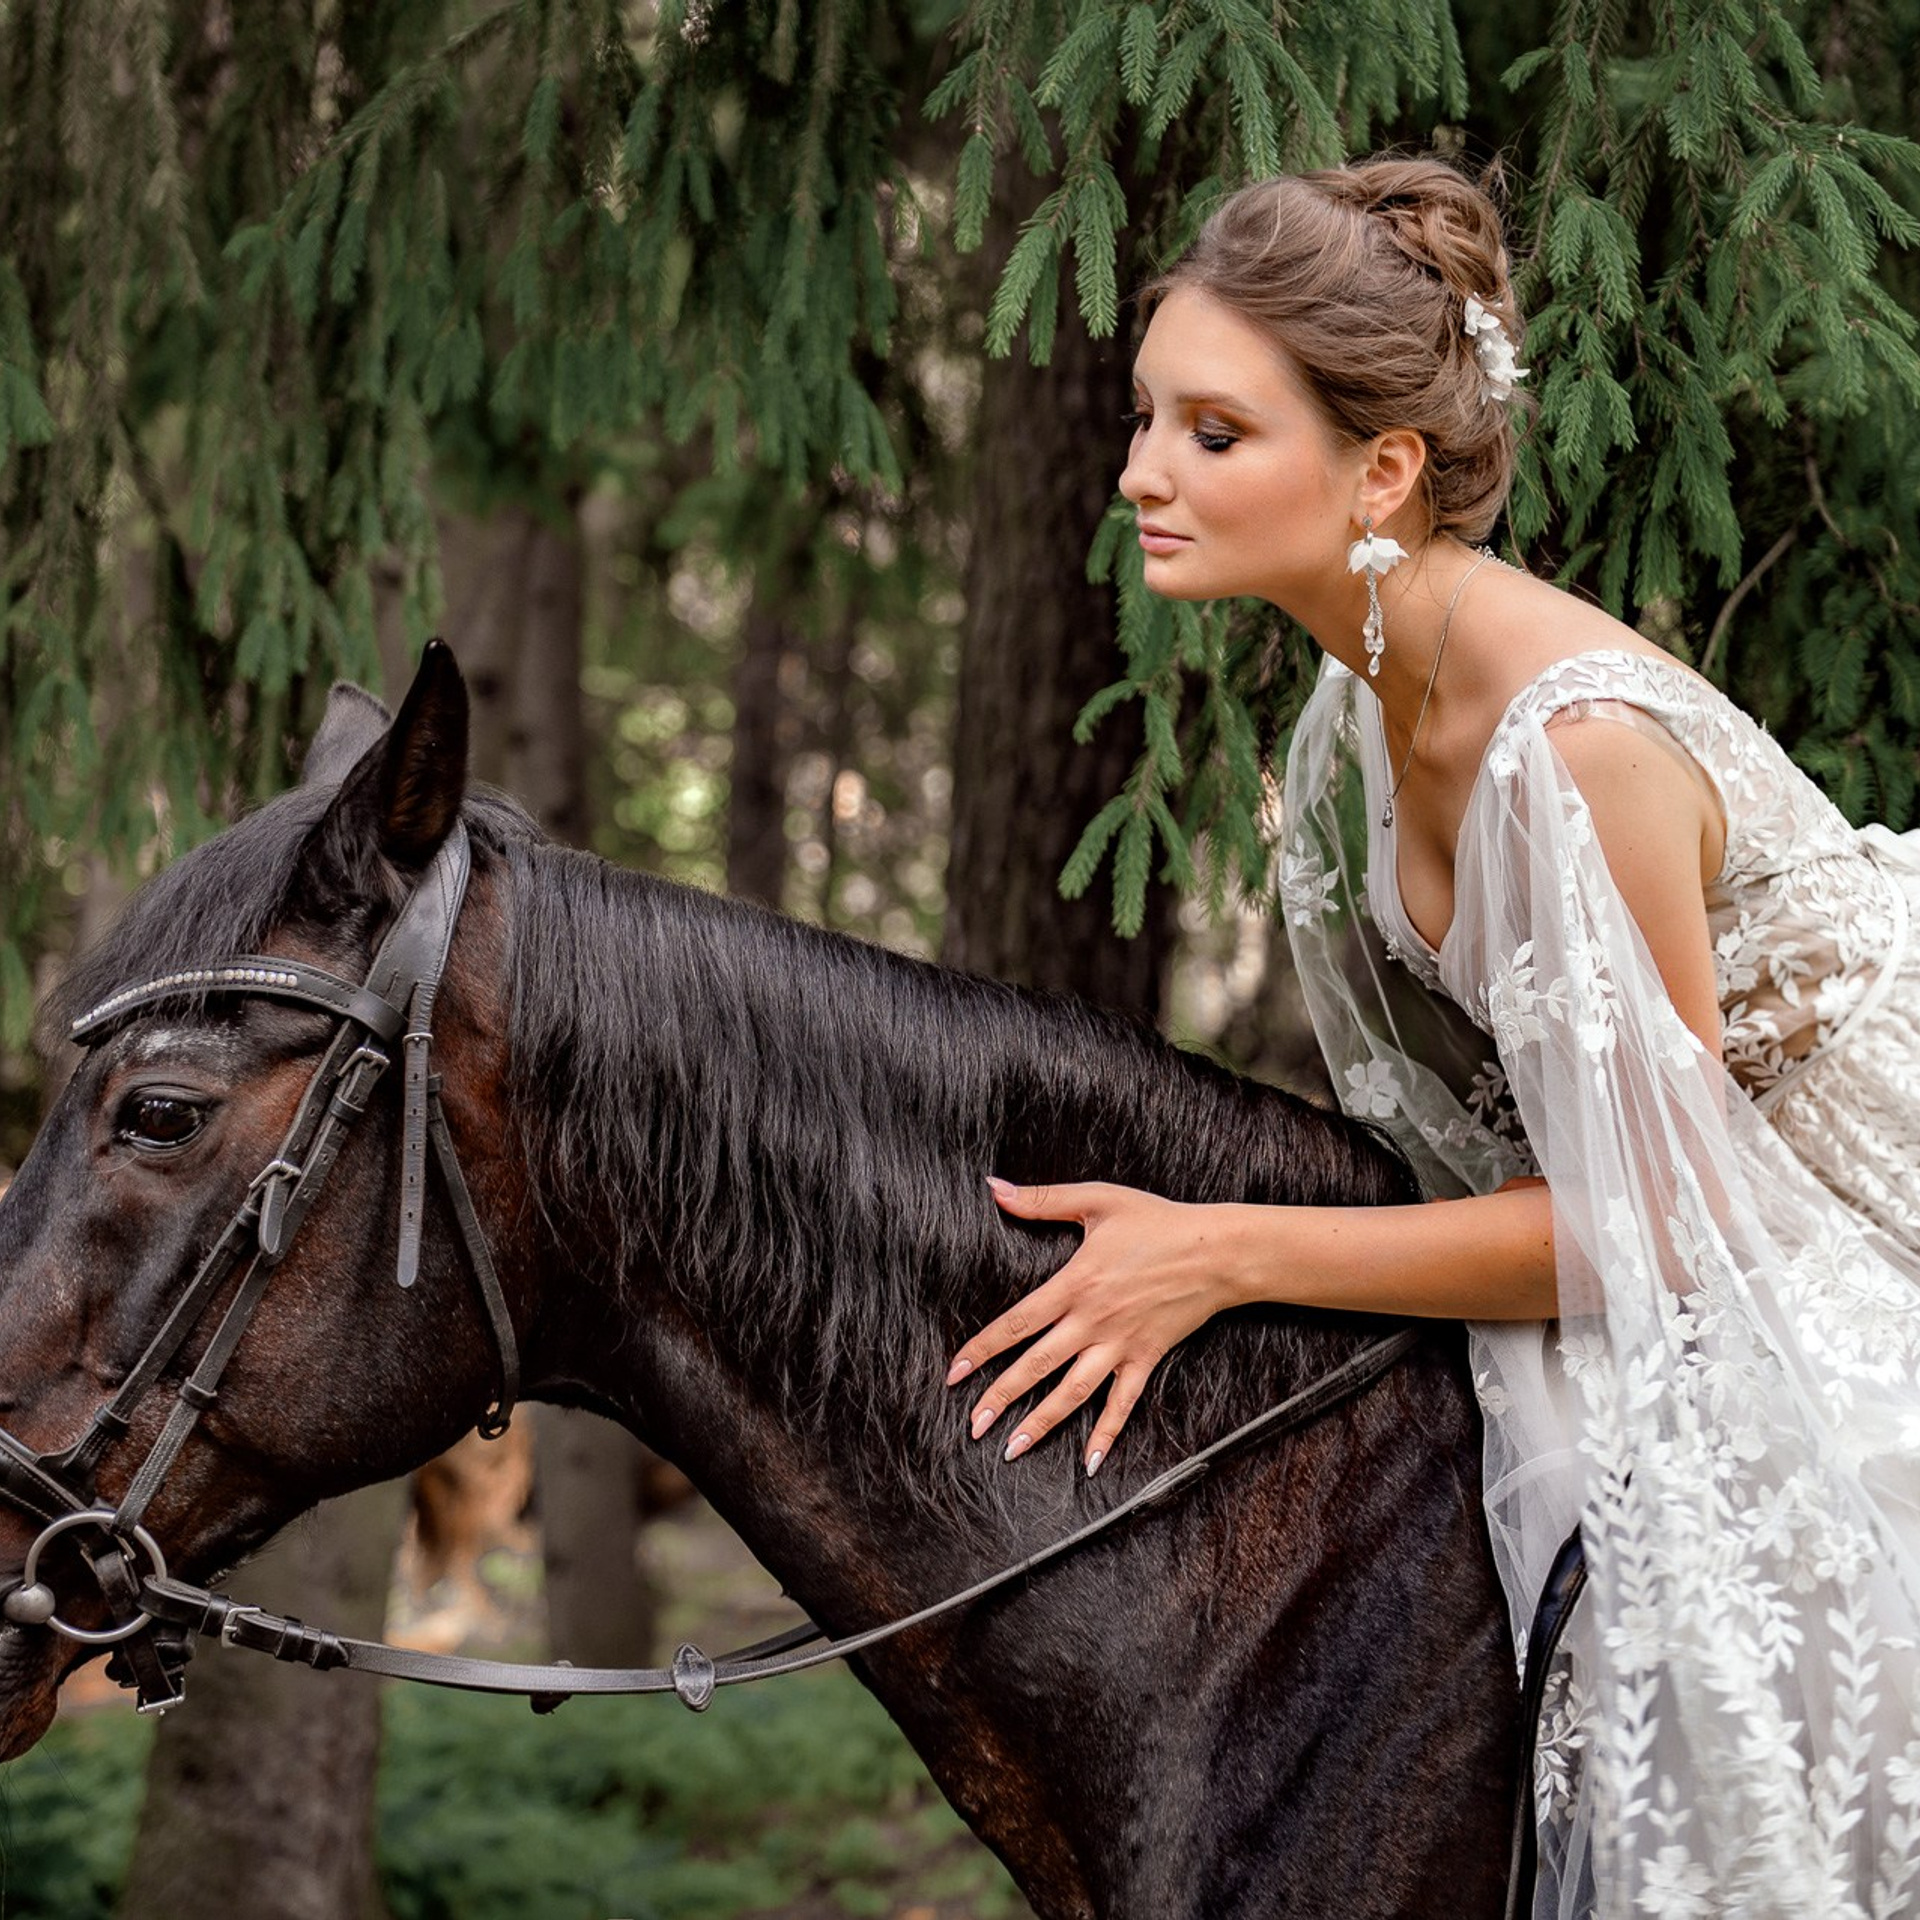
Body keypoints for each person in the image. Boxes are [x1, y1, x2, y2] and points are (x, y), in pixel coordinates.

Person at [944, 156, 1920, 1918]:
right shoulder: (1349, 711)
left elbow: (1673, 1225)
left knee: (1733, 1632)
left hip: (1841, 1215)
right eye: (1146, 414)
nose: (1142, 472)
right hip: (1682, 1210)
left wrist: (1226, 1252)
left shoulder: (1571, 750)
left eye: (1214, 433)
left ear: (1382, 468)